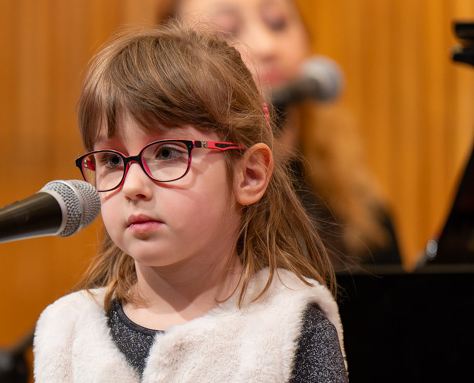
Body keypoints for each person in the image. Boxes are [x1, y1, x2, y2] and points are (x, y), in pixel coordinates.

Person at [3, 24, 360, 383]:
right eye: (111, 160)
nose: (134, 185)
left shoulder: (291, 327)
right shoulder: (68, 333)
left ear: (250, 173)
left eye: (168, 152)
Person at [159, 0, 402, 269]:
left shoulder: (360, 210)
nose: (266, 46)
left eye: (278, 22)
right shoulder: (154, 207)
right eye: (226, 32)